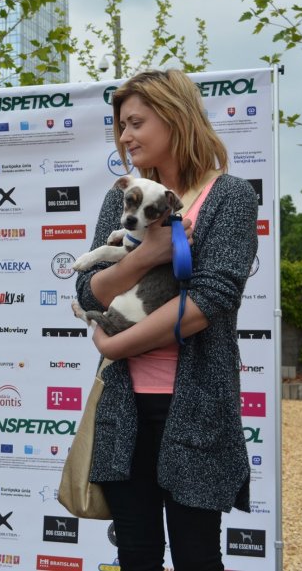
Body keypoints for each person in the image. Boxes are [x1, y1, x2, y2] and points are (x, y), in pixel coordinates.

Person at [74, 69, 258, 571]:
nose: (125, 137)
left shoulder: (230, 196)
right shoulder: (123, 195)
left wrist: (114, 345)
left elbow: (211, 300)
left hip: (196, 404)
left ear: (176, 118)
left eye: (136, 123)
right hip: (122, 406)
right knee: (135, 556)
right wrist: (147, 255)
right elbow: (87, 290)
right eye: (121, 126)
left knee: (197, 557)